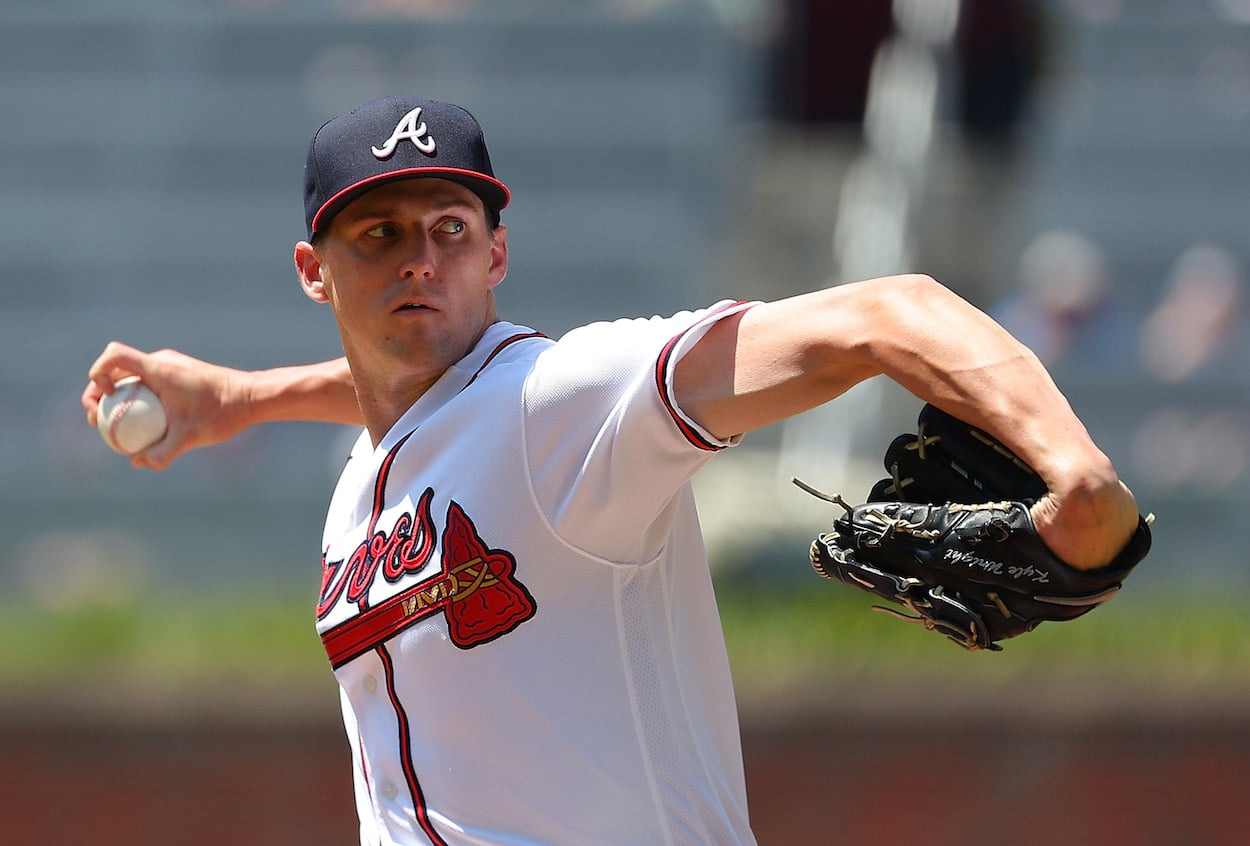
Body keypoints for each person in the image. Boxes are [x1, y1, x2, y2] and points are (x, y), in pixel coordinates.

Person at [82, 96, 1140, 846]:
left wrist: (1076, 478)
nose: (419, 259)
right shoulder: (371, 473)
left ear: (495, 255)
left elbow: (885, 312)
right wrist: (240, 398)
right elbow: (409, 395)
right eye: (378, 233)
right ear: (315, 272)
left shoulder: (568, 403)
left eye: (451, 229)